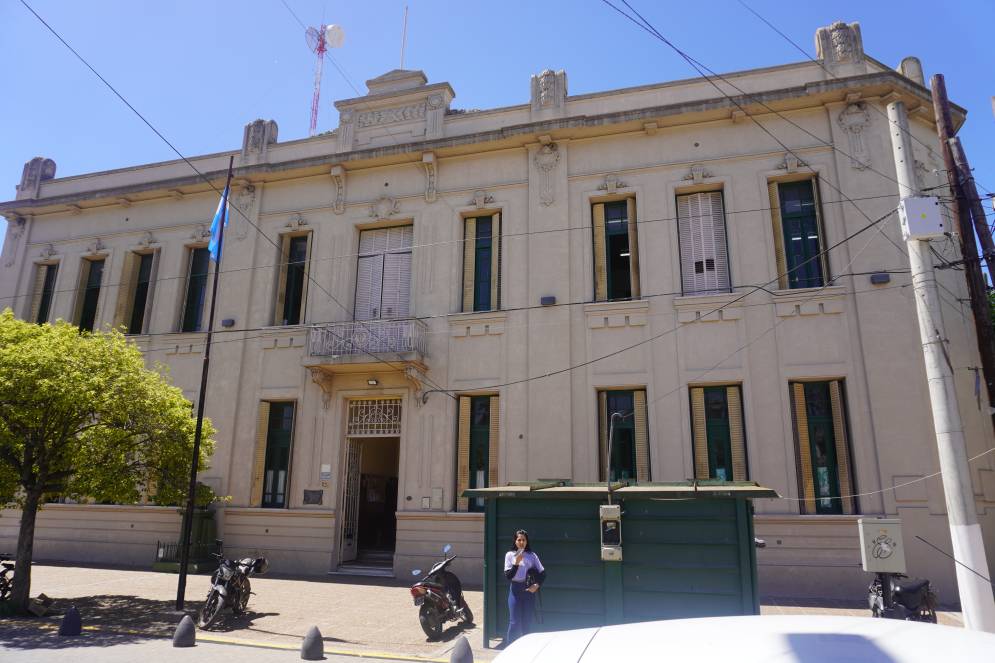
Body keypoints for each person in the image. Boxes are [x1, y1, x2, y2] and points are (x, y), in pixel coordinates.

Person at [503, 529, 546, 645]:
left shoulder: (532, 555)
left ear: (527, 541)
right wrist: (516, 563)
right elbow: (508, 576)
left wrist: (537, 585)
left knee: (527, 622)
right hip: (515, 591)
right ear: (515, 541)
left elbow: (543, 573)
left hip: (528, 591)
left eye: (523, 540)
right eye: (519, 540)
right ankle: (510, 649)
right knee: (514, 622)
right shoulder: (510, 555)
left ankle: (526, 648)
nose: (521, 542)